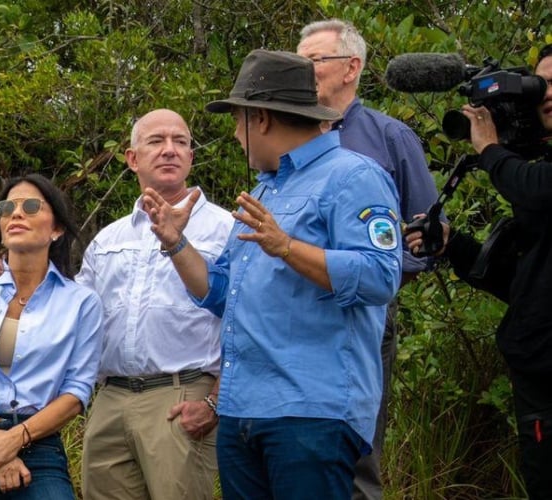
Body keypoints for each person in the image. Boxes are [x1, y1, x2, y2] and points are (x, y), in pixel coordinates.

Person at [142, 49, 402, 499]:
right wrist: (175, 244)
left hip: (311, 412)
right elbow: (222, 293)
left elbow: (380, 276)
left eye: (237, 120)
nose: (235, 135)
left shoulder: (353, 176)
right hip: (242, 410)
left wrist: (287, 247)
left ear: (259, 119)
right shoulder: (266, 190)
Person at [297, 19, 440, 499]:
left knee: (357, 454)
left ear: (351, 68)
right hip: (294, 315)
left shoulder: (389, 137)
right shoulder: (289, 136)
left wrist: (380, 282)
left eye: (315, 60)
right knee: (295, 449)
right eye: (299, 61)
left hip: (364, 314)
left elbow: (426, 236)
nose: (304, 70)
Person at [406, 44, 552, 500]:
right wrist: (454, 245)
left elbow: (537, 189)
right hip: (540, 378)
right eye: (542, 84)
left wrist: (490, 151)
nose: (548, 93)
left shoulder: (536, 181)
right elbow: (525, 286)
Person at [77, 109, 234, 499]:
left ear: (191, 157)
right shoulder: (108, 240)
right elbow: (71, 318)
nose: (169, 150)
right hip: (111, 399)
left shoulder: (226, 228)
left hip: (182, 396)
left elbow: (249, 320)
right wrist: (9, 276)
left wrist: (215, 401)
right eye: (156, 141)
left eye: (180, 142)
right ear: (132, 159)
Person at [0, 174, 103, 498]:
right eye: (7, 207)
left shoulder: (81, 303)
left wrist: (14, 439)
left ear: (57, 229)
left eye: (30, 206)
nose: (15, 214)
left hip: (39, 447)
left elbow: (76, 392)